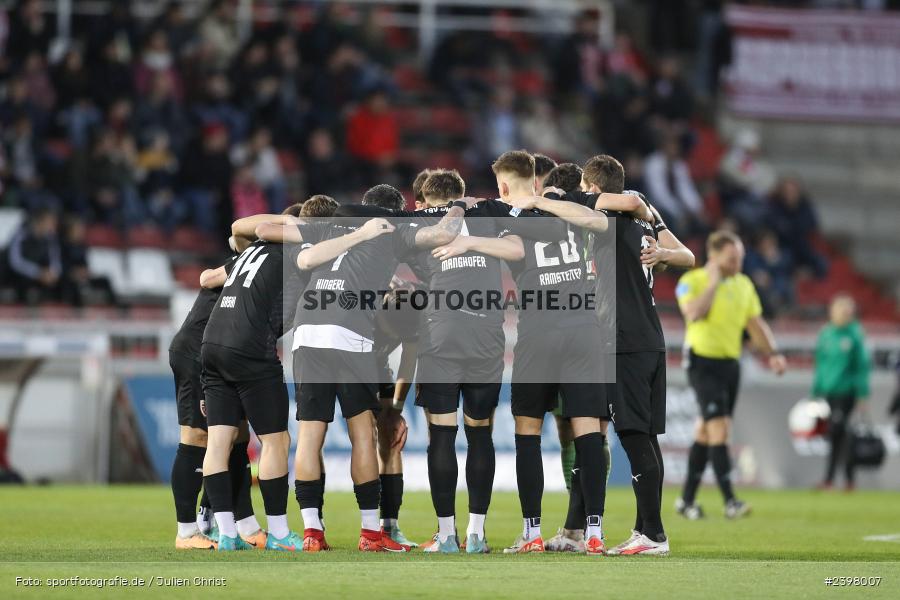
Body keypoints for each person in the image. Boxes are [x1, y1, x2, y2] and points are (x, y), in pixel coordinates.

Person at [432, 150, 608, 554]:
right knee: (586, 432)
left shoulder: (510, 214)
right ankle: (594, 532)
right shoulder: (569, 206)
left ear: (505, 185)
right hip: (584, 328)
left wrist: (466, 240)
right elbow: (600, 221)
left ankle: (531, 532)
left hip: (540, 332)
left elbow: (512, 247)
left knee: (527, 431)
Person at [287, 186, 470, 553]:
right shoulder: (393, 227)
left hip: (305, 332)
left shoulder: (333, 221)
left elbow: (272, 227)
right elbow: (444, 233)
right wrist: (461, 205)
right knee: (363, 435)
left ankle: (311, 532)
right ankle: (372, 533)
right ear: (396, 211)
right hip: (349, 331)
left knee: (308, 436)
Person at [545, 154, 694, 556]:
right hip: (649, 335)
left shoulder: (609, 221)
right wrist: (664, 255)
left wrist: (544, 199)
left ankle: (654, 535)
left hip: (624, 338)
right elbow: (688, 256)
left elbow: (595, 208)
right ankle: (645, 530)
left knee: (632, 435)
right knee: (645, 436)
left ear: (594, 190)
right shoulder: (643, 224)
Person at [199, 209, 308, 552]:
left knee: (218, 441)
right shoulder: (300, 250)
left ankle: (228, 534)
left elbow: (240, 229)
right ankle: (277, 532)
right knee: (275, 441)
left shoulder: (251, 251)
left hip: (212, 343)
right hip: (249, 349)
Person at [675, 230, 787, 520]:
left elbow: (755, 323)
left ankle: (686, 501)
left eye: (740, 258)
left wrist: (772, 353)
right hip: (702, 362)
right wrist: (713, 283)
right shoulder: (692, 281)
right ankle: (730, 501)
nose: (738, 263)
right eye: (732, 258)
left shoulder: (743, 284)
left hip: (730, 364)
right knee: (720, 428)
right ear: (713, 257)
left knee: (705, 431)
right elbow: (694, 313)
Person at [168, 251, 264, 551]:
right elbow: (209, 275)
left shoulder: (265, 257)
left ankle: (243, 523)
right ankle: (186, 531)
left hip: (227, 352)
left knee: (237, 434)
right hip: (199, 351)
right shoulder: (263, 256)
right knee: (198, 436)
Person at [813, 295, 870, 491]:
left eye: (848, 311)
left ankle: (844, 479)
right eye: (841, 310)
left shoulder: (855, 335)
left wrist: (862, 393)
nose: (845, 314)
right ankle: (836, 480)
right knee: (836, 435)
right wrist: (816, 391)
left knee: (840, 432)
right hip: (829, 392)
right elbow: (820, 364)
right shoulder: (826, 334)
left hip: (846, 392)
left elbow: (862, 366)